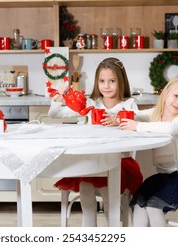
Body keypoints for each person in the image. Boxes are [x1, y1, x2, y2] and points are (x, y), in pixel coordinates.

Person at [48, 57, 143, 226]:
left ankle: (113, 230)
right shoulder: (91, 104)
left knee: (108, 193)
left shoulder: (128, 104)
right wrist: (59, 96)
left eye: (112, 81)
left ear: (121, 81)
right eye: (102, 81)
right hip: (93, 160)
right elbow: (54, 114)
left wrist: (119, 121)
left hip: (119, 162)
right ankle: (90, 230)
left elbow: (137, 124)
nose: (106, 86)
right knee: (85, 187)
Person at [119, 74, 178, 227]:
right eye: (176, 95)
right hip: (167, 176)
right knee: (140, 201)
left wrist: (137, 126)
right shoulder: (156, 113)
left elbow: (169, 128)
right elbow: (138, 115)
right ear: (166, 93)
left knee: (153, 205)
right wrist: (120, 116)